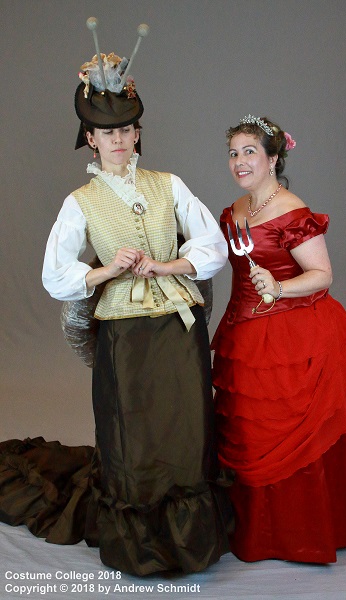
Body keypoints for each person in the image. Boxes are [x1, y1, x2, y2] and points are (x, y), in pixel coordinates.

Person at [0, 50, 233, 576]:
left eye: (128, 130)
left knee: (188, 426)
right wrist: (106, 271)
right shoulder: (79, 202)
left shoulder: (168, 183)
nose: (120, 141)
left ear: (137, 132)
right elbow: (54, 274)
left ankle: (192, 540)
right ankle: (143, 544)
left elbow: (213, 248)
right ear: (90, 139)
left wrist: (169, 263)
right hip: (125, 336)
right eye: (109, 134)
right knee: (134, 434)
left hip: (180, 326)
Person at [211, 114, 346, 564]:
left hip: (295, 337)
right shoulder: (235, 211)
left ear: (273, 158)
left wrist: (278, 288)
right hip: (243, 334)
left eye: (250, 152)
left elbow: (322, 276)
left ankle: (299, 530)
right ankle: (258, 529)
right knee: (247, 426)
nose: (239, 162)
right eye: (233, 153)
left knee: (291, 430)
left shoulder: (291, 211)